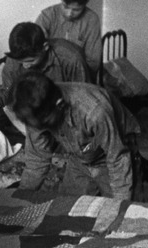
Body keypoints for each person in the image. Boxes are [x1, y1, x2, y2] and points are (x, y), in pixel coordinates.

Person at [11, 71, 139, 200]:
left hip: (116, 153)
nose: (37, 128)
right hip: (80, 157)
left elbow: (118, 159)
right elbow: (36, 159)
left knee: (118, 210)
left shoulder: (94, 111)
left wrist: (120, 205)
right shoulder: (34, 109)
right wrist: (20, 196)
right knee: (65, 208)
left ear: (59, 105)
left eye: (44, 124)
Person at [0, 22, 90, 114]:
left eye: (30, 61)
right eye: (21, 61)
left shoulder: (71, 58)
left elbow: (84, 99)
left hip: (68, 112)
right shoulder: (13, 61)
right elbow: (6, 93)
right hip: (35, 115)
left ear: (45, 47)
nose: (25, 66)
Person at [35, 0, 101, 76]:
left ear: (86, 2)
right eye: (65, 6)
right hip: (49, 74)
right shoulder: (47, 15)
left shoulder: (92, 20)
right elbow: (35, 49)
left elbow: (93, 62)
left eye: (76, 10)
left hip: (79, 75)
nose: (69, 13)